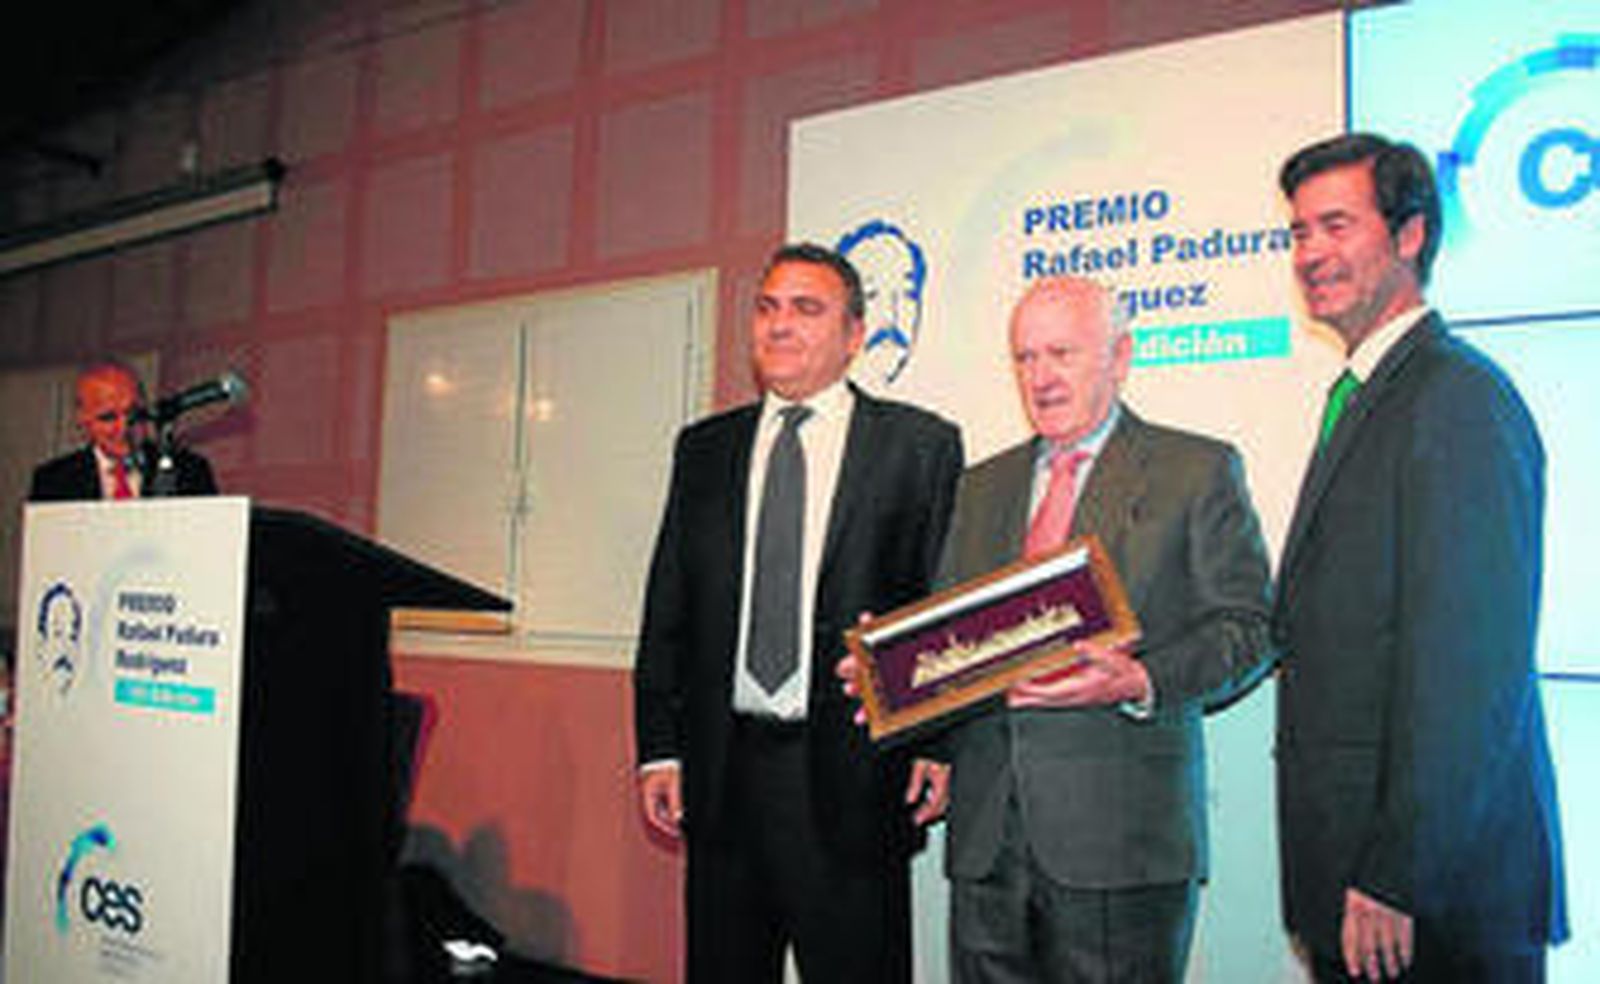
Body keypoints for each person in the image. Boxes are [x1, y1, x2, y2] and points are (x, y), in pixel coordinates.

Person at [1273, 133, 1567, 983]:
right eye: (1298, 232)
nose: (1312, 253)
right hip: (1370, 885)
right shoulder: (1372, 395)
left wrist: (1397, 870)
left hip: (1427, 900)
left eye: (1336, 225)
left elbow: (1470, 672)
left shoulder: (1456, 399)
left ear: (1409, 236)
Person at [632, 243, 963, 982]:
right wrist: (659, 744)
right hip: (722, 774)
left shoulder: (918, 446)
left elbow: (936, 605)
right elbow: (668, 606)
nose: (779, 325)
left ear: (854, 335)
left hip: (855, 774)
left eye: (806, 309)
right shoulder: (704, 449)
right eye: (767, 307)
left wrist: (939, 742)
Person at [926, 275, 1272, 982]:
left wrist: (1145, 678)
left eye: (1061, 353)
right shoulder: (981, 485)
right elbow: (956, 640)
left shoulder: (1196, 469)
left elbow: (1251, 628)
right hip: (987, 840)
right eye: (1024, 358)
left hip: (1122, 841)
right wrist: (896, 666)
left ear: (1119, 356)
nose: (1041, 377)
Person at [28, 360, 217, 501]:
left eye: (133, 413)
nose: (124, 427)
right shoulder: (54, 481)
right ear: (82, 419)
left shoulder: (190, 471)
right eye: (108, 418)